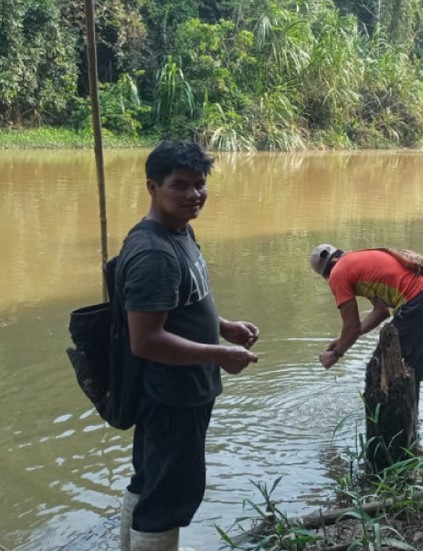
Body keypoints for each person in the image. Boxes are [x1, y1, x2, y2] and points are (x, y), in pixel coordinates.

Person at [116, 141, 260, 551]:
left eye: (199, 184)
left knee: (150, 481)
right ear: (152, 187)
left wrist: (224, 326)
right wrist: (221, 355)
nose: (194, 195)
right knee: (170, 495)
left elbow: (181, 304)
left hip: (180, 391)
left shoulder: (179, 232)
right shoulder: (153, 253)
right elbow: (145, 340)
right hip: (171, 395)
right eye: (180, 185)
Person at [309, 245, 423, 401]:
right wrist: (343, 340)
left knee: (381, 371)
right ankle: (411, 422)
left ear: (325, 276)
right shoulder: (356, 261)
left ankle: (389, 423)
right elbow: (381, 311)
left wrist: (335, 354)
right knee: (410, 372)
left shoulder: (337, 275)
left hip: (417, 303)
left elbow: (351, 327)